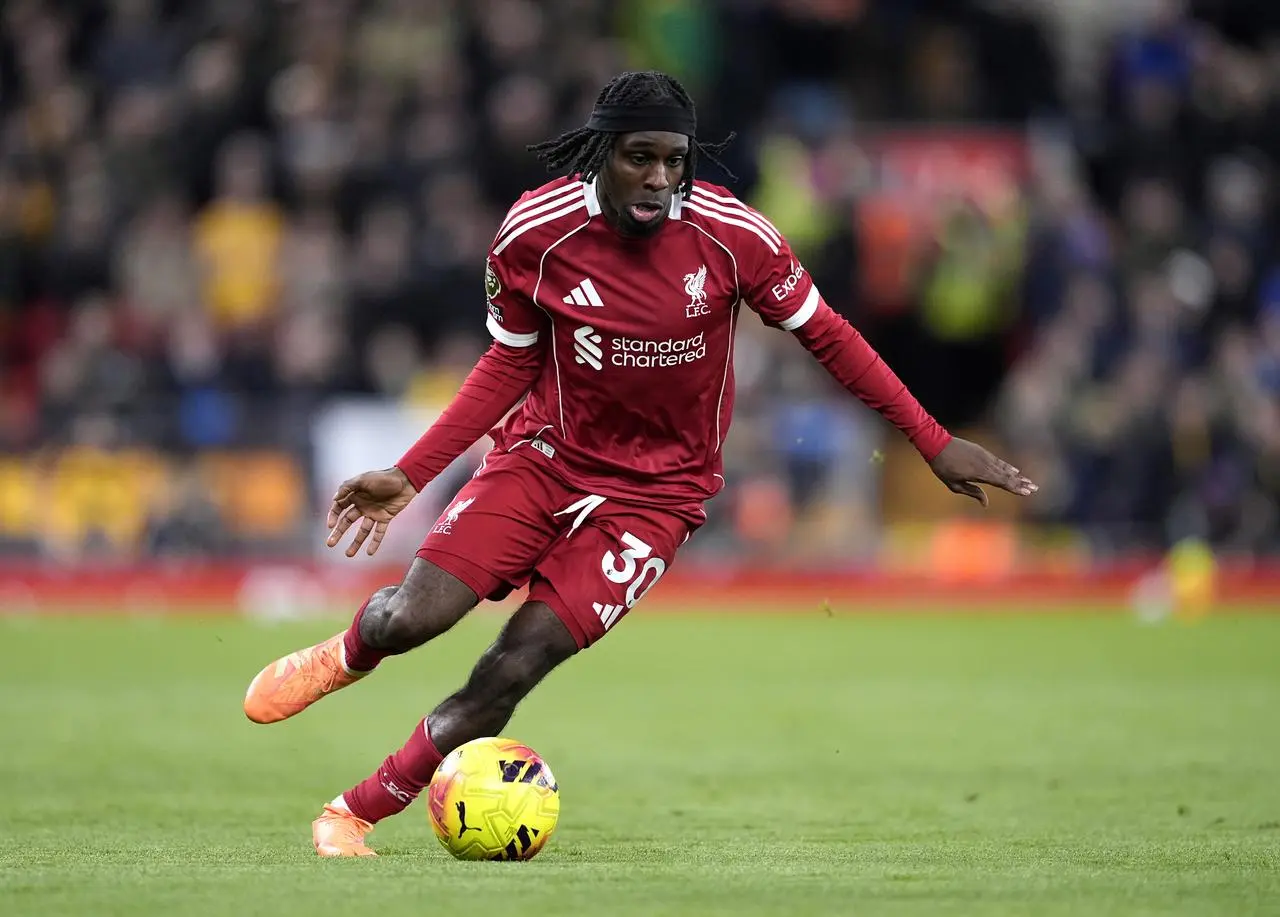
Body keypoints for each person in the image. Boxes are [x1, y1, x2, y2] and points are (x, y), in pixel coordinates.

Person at [242, 70, 1038, 857]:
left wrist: (933, 441)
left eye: (675, 160)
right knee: (411, 618)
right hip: (544, 458)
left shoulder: (735, 237)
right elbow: (508, 364)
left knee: (516, 663)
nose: (660, 179)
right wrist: (412, 472)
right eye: (640, 158)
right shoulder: (535, 233)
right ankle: (346, 653)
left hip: (658, 497)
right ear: (600, 154)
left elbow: (828, 333)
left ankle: (351, 812)